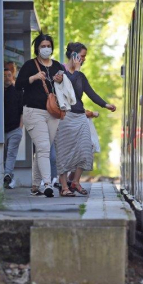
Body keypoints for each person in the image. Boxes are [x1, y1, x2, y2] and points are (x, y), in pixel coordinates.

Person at [54, 42, 116, 197]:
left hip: (79, 116)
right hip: (65, 117)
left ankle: (75, 181)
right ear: (74, 55)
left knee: (85, 148)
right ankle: (64, 187)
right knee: (64, 151)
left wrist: (105, 104)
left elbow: (90, 93)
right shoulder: (60, 73)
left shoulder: (81, 76)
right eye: (82, 56)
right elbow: (70, 90)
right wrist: (77, 69)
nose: (84, 59)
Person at [15, 33, 64, 197]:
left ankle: (35, 185)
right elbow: (18, 85)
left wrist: (60, 81)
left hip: (53, 112)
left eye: (48, 46)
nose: (46, 48)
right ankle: (48, 184)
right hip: (33, 112)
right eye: (42, 46)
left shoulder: (57, 66)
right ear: (37, 48)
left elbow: (66, 90)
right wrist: (34, 77)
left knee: (43, 149)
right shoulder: (30, 65)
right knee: (43, 148)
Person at [3, 68, 23, 189]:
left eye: (9, 75)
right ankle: (8, 177)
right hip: (1, 130)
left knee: (11, 153)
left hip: (15, 129)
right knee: (3, 154)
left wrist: (20, 127)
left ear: (13, 77)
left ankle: (7, 174)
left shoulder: (17, 91)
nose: (6, 78)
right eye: (4, 75)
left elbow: (22, 110)